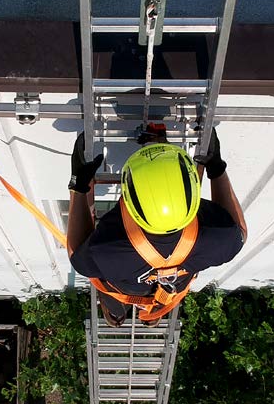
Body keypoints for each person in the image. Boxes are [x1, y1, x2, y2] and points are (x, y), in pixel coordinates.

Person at [67, 125, 247, 327]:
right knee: (160, 300)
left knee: (115, 298)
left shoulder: (109, 247)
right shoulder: (218, 236)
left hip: (126, 287)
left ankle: (117, 316)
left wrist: (79, 184)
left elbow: (77, 255)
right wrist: (216, 168)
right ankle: (153, 314)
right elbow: (239, 231)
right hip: (172, 284)